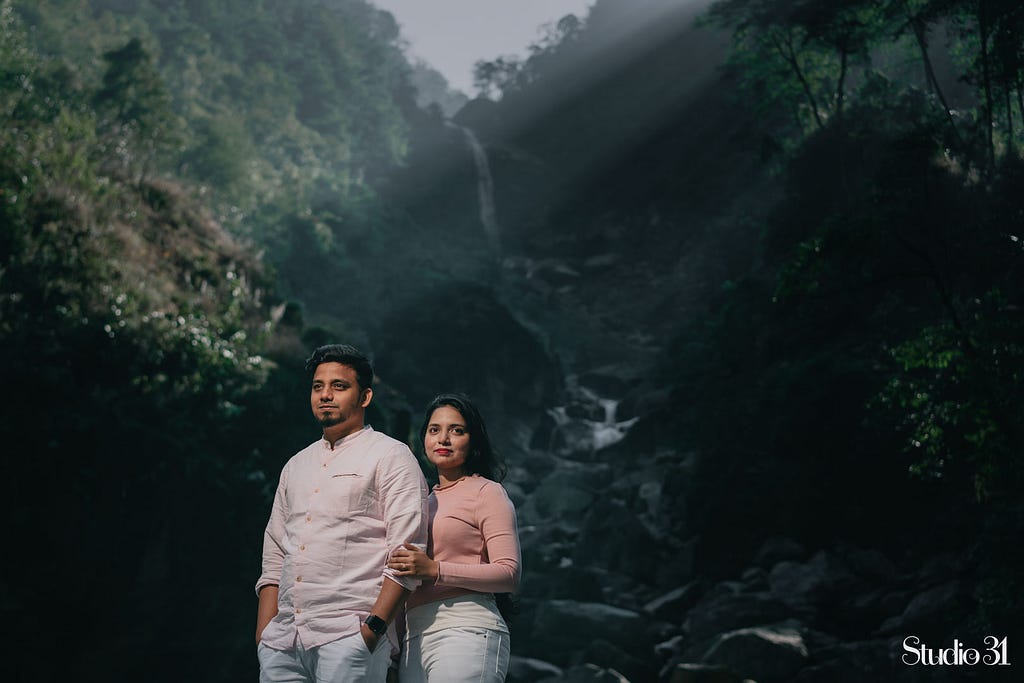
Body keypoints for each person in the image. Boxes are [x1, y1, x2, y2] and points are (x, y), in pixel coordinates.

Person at [255, 344, 429, 682]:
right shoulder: (296, 465)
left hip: (348, 637)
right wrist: (264, 634)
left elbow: (407, 553)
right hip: (282, 642)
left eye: (339, 386)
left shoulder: (391, 456)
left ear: (364, 397)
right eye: (318, 386)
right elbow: (275, 551)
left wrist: (371, 631)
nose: (325, 395)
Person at [387, 393, 522, 683]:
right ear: (423, 439)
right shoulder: (418, 501)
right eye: (434, 430)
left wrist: (435, 570)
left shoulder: (486, 492)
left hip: (466, 627)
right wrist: (392, 655)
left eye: (456, 430)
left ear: (472, 441)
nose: (443, 439)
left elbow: (509, 573)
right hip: (414, 640)